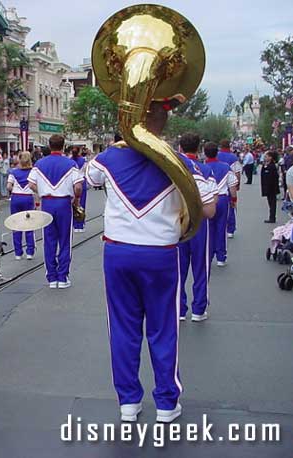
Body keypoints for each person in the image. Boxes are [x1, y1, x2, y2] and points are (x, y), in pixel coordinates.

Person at [86, 102, 216, 424]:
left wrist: (119, 146)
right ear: (165, 122)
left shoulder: (109, 159)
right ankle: (166, 404)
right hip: (160, 254)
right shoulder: (181, 162)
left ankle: (128, 402)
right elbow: (210, 209)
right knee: (163, 328)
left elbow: (88, 178)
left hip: (117, 253)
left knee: (122, 327)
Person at [28, 134, 83, 289]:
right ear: (63, 146)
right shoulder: (70, 164)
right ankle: (63, 277)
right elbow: (78, 187)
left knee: (49, 240)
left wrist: (42, 192)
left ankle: (51, 277)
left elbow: (31, 183)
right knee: (65, 240)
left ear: (50, 146)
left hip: (48, 203)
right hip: (64, 202)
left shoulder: (39, 163)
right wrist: (76, 199)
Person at [178, 133, 217, 322]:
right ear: (198, 149)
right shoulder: (205, 170)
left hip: (177, 224)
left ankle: (179, 308)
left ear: (180, 148)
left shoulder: (172, 168)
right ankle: (199, 309)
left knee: (178, 268)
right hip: (199, 223)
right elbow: (212, 205)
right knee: (201, 267)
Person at [204, 142, 238, 267]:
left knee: (209, 229)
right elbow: (233, 185)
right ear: (216, 152)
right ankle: (221, 257)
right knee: (221, 228)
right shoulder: (225, 167)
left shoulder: (201, 167)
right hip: (222, 199)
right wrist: (234, 200)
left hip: (207, 200)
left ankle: (208, 254)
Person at [7, 151, 35, 260]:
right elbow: (34, 186)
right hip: (28, 198)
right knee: (29, 224)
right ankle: (30, 251)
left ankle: (18, 253)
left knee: (16, 224)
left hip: (16, 198)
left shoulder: (13, 172)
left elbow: (9, 186)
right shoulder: (33, 172)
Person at [217, 140, 242, 238]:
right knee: (231, 205)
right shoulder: (233, 157)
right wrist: (237, 184)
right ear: (229, 146)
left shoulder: (216, 156)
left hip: (218, 184)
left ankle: (219, 228)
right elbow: (237, 172)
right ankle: (230, 229)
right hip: (229, 184)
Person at [71, 147, 88, 233]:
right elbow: (86, 171)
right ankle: (80, 224)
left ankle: (74, 224)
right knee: (81, 203)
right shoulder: (83, 161)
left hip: (72, 183)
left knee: (73, 204)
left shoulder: (70, 161)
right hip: (81, 182)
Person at [261, 151, 280, 224]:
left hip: (271, 188)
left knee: (272, 203)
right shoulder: (266, 165)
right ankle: (271, 216)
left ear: (270, 157)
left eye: (266, 156)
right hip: (267, 187)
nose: (265, 157)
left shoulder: (272, 166)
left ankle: (272, 218)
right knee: (270, 202)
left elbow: (274, 178)